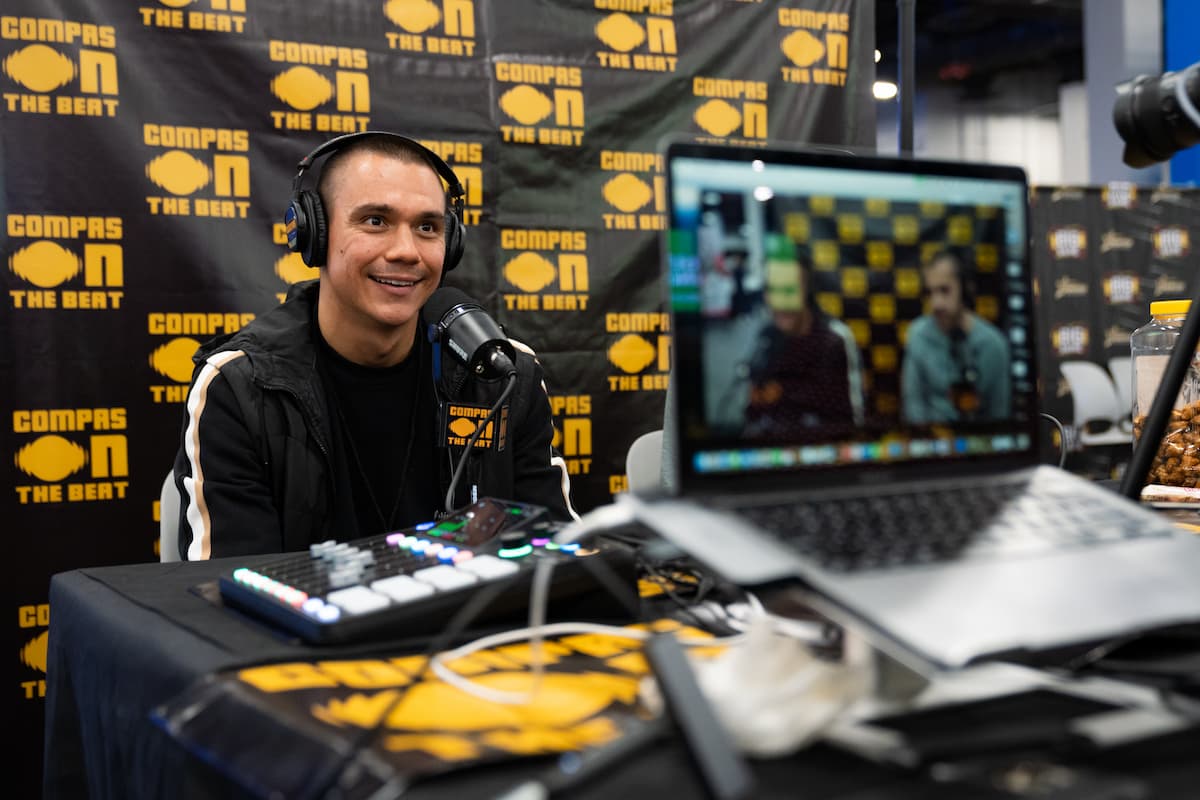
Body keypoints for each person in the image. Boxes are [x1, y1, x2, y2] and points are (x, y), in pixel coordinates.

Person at [171, 131, 577, 560]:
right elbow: (231, 594)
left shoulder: (502, 375)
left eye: (427, 227)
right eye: (375, 221)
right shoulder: (241, 387)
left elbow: (558, 557)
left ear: (451, 244)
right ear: (315, 234)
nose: (406, 251)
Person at [742, 235, 865, 440]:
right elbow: (752, 414)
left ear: (806, 291)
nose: (781, 302)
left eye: (790, 290)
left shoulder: (834, 340)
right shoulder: (766, 339)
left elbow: (852, 419)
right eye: (773, 289)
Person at [901, 250, 1011, 424]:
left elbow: (999, 414)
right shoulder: (918, 335)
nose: (936, 303)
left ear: (965, 289)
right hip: (931, 442)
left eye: (944, 290)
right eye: (930, 293)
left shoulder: (993, 344)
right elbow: (913, 407)